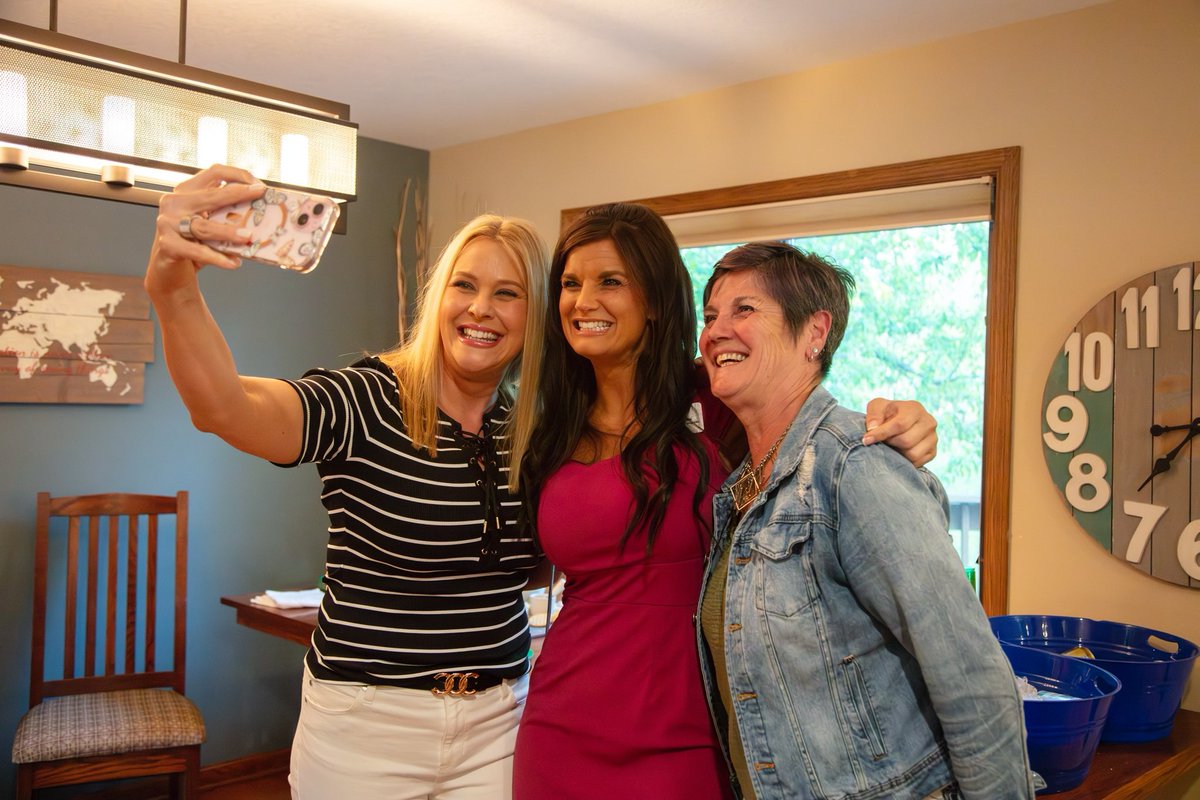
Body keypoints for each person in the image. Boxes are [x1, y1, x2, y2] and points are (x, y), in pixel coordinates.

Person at [145, 165, 550, 800]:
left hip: (502, 720)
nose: (480, 308)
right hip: (367, 724)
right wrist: (173, 289)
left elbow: (536, 566)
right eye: (464, 285)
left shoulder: (534, 430)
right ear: (438, 295)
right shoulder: (369, 397)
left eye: (509, 293)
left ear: (535, 316)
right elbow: (224, 406)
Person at [511, 203, 939, 799]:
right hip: (562, 724)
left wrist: (906, 422)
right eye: (571, 283)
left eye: (610, 281)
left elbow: (815, 436)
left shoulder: (716, 396)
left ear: (656, 299)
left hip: (694, 728)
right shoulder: (548, 425)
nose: (584, 300)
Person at [695, 242, 1034, 799]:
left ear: (814, 333)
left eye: (744, 310)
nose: (714, 332)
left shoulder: (855, 464)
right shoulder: (739, 488)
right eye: (709, 317)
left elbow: (973, 679)